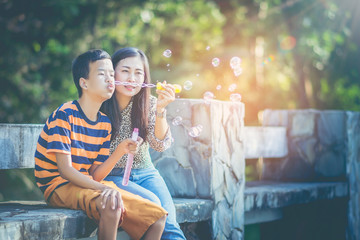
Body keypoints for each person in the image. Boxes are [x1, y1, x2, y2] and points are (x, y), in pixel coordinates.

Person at [34, 49, 167, 240]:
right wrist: (105, 189)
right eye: (102, 74)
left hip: (87, 182)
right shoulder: (65, 114)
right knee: (112, 202)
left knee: (157, 217)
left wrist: (120, 150)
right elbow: (65, 170)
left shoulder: (104, 123)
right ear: (84, 83)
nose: (110, 79)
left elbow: (96, 174)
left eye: (112, 74)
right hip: (59, 186)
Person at [101, 47, 186, 240]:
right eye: (125, 70)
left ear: (145, 79)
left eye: (138, 73)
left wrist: (161, 109)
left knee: (171, 228)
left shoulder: (150, 103)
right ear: (112, 72)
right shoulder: (100, 103)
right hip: (111, 175)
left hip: (146, 173)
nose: (132, 78)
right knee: (156, 211)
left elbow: (159, 145)